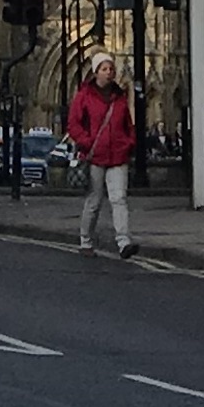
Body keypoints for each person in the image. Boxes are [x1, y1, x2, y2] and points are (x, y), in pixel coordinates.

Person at [67, 53, 138, 258]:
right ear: (96, 72)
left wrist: (128, 143)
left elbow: (128, 124)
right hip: (94, 156)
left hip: (117, 154)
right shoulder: (84, 96)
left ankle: (124, 242)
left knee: (119, 199)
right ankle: (85, 241)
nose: (109, 73)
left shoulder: (120, 97)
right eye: (105, 69)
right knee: (94, 201)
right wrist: (87, 142)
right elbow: (73, 125)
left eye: (111, 69)